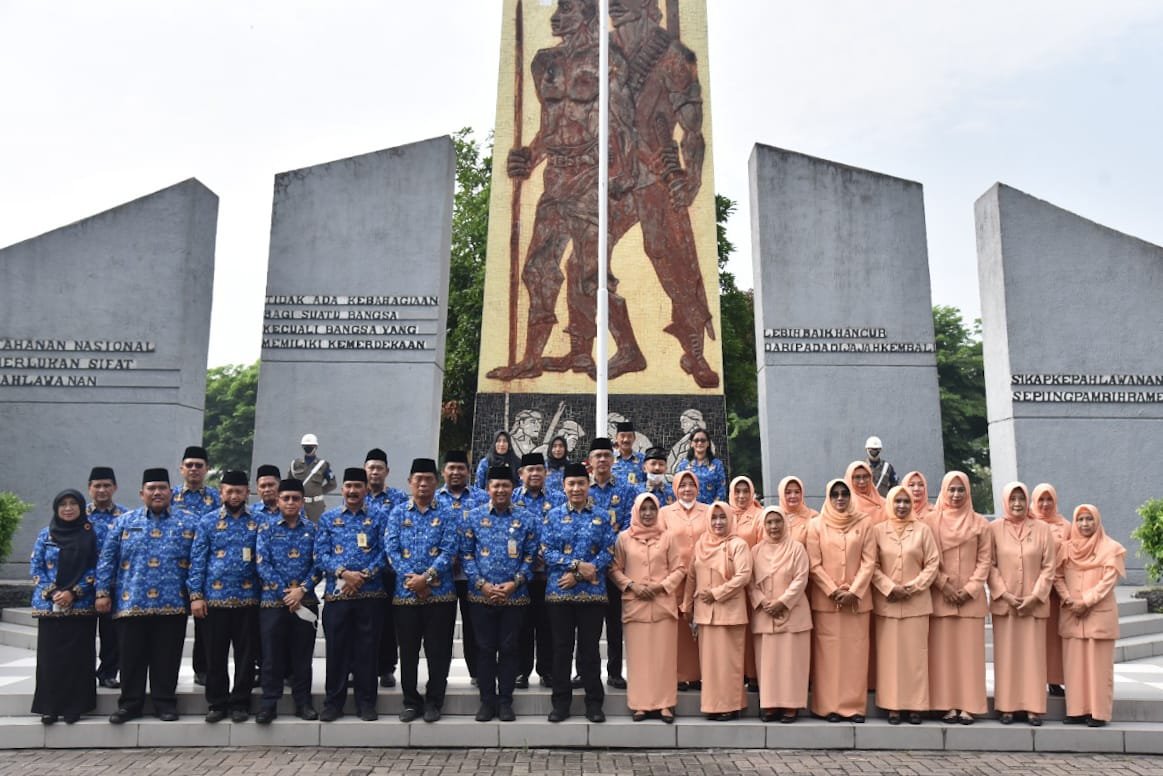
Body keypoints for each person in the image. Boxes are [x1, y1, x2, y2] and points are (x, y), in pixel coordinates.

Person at [486, 0, 640, 381]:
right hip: (555, 176)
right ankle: (531, 359)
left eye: (567, 7)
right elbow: (548, 126)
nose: (557, 15)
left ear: (588, 12)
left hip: (592, 176)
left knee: (591, 275)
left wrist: (623, 173)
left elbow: (623, 122)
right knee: (538, 268)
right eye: (557, 7)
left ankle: (630, 350)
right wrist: (527, 158)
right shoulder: (544, 62)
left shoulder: (610, 57)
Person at [607, 0, 720, 389]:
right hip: (616, 177)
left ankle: (695, 354)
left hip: (656, 175)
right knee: (586, 266)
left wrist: (693, 179)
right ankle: (627, 349)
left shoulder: (672, 56)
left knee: (673, 263)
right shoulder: (601, 53)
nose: (616, 6)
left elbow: (692, 129)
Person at [95, 468, 198, 724]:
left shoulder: (188, 522)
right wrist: (102, 592)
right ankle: (130, 704)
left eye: (162, 488)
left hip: (172, 603)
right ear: (142, 494)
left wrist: (195, 595)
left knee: (167, 657)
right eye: (151, 488)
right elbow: (107, 559)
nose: (157, 493)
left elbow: (197, 563)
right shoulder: (124, 522)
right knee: (131, 659)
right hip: (131, 603)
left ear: (171, 492)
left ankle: (165, 703)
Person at [460, 465, 540, 722]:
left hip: (514, 596)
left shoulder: (526, 518)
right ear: (488, 489)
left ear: (513, 488)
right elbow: (466, 555)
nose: (501, 490)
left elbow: (530, 556)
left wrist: (515, 583)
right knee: (484, 648)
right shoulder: (473, 517)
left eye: (505, 485)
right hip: (480, 595)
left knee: (509, 648)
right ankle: (486, 702)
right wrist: (482, 584)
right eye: (495, 485)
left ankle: (505, 701)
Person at [386, 458, 459, 723]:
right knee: (408, 651)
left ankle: (434, 701)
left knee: (438, 651)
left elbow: (450, 550)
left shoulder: (448, 513)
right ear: (410, 482)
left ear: (436, 482)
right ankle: (410, 701)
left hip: (441, 595)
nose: (424, 483)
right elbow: (391, 550)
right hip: (406, 596)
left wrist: (426, 579)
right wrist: (413, 582)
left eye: (429, 479)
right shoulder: (397, 513)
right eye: (418, 479)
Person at [543, 462, 616, 723]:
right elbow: (547, 551)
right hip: (559, 594)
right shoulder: (551, 516)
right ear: (563, 487)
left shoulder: (602, 516)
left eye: (581, 483)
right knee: (561, 649)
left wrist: (583, 573)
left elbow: (609, 551)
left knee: (590, 650)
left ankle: (594, 703)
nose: (576, 488)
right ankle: (560, 704)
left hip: (592, 594)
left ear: (589, 485)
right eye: (571, 483)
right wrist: (575, 566)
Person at [314, 467, 387, 722]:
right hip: (337, 596)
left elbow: (385, 553)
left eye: (358, 486)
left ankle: (366, 703)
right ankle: (333, 703)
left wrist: (363, 576)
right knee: (337, 651)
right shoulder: (328, 518)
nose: (353, 491)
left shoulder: (379, 517)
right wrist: (345, 573)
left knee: (367, 651)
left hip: (370, 595)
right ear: (342, 489)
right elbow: (320, 554)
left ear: (366, 489)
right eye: (348, 486)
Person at [189, 470, 261, 723]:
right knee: (215, 656)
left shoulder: (259, 521)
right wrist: (196, 596)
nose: (234, 496)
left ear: (247, 493)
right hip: (214, 600)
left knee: (246, 656)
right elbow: (197, 561)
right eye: (229, 491)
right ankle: (217, 703)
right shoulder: (207, 522)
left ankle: (241, 702)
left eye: (239, 491)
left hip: (249, 599)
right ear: (220, 492)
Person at [806, 478, 876, 722]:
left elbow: (870, 561)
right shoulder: (815, 525)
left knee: (856, 654)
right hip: (828, 602)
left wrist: (854, 590)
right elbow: (813, 564)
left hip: (857, 601)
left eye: (844, 494)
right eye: (834, 494)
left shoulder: (864, 522)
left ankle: (855, 707)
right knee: (829, 656)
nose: (839, 498)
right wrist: (833, 590)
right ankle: (829, 707)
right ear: (828, 496)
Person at [924, 471, 991, 724]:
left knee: (970, 656)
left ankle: (969, 706)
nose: (955, 494)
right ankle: (946, 705)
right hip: (942, 597)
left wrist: (971, 589)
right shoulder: (931, 522)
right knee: (944, 655)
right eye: (951, 489)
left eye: (960, 489)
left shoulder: (980, 524)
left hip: (970, 600)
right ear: (943, 490)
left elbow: (985, 560)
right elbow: (928, 558)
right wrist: (944, 585)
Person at [30, 489, 103, 724]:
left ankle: (75, 706)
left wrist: (74, 592)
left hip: (80, 605)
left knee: (78, 658)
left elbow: (96, 567)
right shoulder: (46, 535)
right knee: (50, 659)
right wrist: (53, 592)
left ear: (82, 507)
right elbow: (36, 568)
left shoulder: (91, 534)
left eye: (73, 504)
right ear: (56, 508)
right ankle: (49, 707)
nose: (68, 508)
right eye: (63, 504)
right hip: (50, 606)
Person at [610, 492, 684, 723]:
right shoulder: (624, 538)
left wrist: (662, 587)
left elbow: (680, 568)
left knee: (663, 657)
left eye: (652, 509)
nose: (648, 513)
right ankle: (640, 704)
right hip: (636, 604)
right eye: (644, 509)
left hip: (663, 604)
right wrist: (632, 586)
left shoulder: (668, 537)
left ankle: (665, 705)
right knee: (639, 659)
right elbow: (614, 569)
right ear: (636, 511)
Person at [988, 482, 1057, 726]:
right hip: (1005, 605)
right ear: (1006, 501)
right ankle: (1006, 706)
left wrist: (1035, 596)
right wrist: (1004, 594)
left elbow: (1050, 566)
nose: (1017, 503)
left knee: (1032, 656)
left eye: (1021, 498)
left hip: (1033, 605)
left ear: (1027, 501)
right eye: (1013, 499)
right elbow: (990, 564)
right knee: (1007, 656)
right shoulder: (994, 528)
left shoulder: (1041, 529)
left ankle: (1034, 707)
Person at [870, 486, 940, 725]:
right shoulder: (878, 531)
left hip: (916, 603)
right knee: (890, 657)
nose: (901, 506)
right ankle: (893, 706)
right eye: (897, 501)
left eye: (906, 501)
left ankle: (915, 706)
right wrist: (889, 587)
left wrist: (913, 587)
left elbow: (932, 563)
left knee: (914, 657)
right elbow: (873, 565)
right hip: (888, 603)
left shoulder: (923, 531)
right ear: (889, 503)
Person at [254, 478, 320, 723]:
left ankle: (303, 703)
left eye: (295, 498)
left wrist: (301, 590)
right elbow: (262, 564)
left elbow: (318, 564)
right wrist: (285, 592)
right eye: (286, 498)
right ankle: (269, 704)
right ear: (278, 500)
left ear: (302, 501)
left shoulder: (313, 529)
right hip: (274, 602)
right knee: (271, 657)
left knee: (302, 657)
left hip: (305, 602)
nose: (290, 502)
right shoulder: (266, 529)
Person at [1055, 504, 1126, 727]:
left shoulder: (1111, 548)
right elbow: (1056, 577)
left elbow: (1108, 581)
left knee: (1099, 667)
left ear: (1097, 521)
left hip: (1097, 614)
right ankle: (1076, 711)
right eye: (1080, 520)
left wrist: (1085, 602)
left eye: (1089, 519)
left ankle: (1098, 713)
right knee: (1075, 666)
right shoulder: (1066, 549)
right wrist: (1068, 599)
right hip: (1072, 613)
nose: (1085, 524)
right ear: (1074, 523)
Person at [682, 501, 752, 720]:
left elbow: (744, 575)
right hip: (705, 613)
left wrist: (717, 593)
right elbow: (692, 576)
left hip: (729, 612)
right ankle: (713, 706)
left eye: (723, 517)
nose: (718, 522)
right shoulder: (702, 543)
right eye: (714, 518)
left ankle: (731, 706)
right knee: (711, 666)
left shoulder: (738, 544)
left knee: (729, 664)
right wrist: (687, 605)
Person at [584, 437, 638, 689]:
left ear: (613, 459)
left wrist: (608, 536)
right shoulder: (583, 489)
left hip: (616, 566)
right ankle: (582, 670)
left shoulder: (626, 490)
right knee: (585, 624)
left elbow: (629, 525)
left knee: (615, 622)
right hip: (589, 568)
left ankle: (615, 671)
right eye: (598, 456)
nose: (603, 460)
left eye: (607, 455)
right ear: (590, 461)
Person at [749, 506, 811, 723]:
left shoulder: (797, 549)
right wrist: (763, 602)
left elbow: (801, 578)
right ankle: (770, 705)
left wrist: (783, 602)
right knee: (769, 664)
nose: (774, 527)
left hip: (793, 615)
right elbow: (750, 582)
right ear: (763, 525)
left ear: (785, 523)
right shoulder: (755, 551)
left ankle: (791, 706)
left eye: (778, 522)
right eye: (769, 522)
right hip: (765, 615)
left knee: (791, 663)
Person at [436, 450, 488, 688]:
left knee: (475, 625)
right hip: (441, 576)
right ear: (443, 471)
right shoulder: (434, 499)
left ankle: (478, 672)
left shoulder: (481, 498)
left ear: (469, 472)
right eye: (451, 468)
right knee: (442, 628)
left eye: (461, 468)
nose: (456, 472)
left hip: (473, 575)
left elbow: (488, 534)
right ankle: (440, 675)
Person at [513, 452, 564, 689]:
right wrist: (528, 556)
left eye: (539, 469)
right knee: (522, 625)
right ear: (521, 474)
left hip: (550, 575)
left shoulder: (557, 498)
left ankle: (547, 670)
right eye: (529, 470)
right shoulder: (510, 498)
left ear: (546, 473)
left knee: (548, 625)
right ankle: (521, 671)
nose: (534, 474)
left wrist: (545, 552)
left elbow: (563, 530)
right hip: (520, 576)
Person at [172, 444, 220, 686]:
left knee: (205, 621)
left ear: (207, 469)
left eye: (198, 466)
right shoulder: (168, 497)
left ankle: (202, 668)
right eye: (189, 465)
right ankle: (167, 670)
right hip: (173, 571)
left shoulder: (217, 499)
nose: (193, 469)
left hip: (207, 570)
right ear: (181, 469)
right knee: (173, 624)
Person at [659, 469, 710, 690]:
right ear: (675, 488)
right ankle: (680, 674)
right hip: (677, 577)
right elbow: (661, 544)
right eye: (682, 485)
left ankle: (701, 673)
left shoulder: (708, 511)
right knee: (680, 625)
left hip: (705, 575)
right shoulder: (665, 513)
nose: (687, 489)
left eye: (691, 485)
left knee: (703, 624)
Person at [364, 448, 407, 689]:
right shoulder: (358, 495)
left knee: (389, 623)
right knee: (364, 622)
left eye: (379, 468)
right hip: (362, 575)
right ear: (365, 470)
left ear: (387, 471)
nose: (375, 472)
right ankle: (358, 667)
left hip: (389, 572)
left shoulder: (399, 499)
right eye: (371, 467)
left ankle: (386, 668)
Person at [86, 466, 126, 690]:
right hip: (82, 586)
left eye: (106, 486)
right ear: (90, 489)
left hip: (114, 585)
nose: (102, 490)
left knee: (112, 634)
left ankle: (108, 672)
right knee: (83, 633)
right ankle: (82, 672)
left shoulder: (126, 517)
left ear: (115, 488)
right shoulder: (78, 515)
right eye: (97, 486)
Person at [1031, 482, 1072, 697]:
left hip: (1056, 592)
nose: (1045, 504)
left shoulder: (1065, 526)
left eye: (1049, 500)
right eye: (1041, 500)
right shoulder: (1027, 522)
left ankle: (1054, 680)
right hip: (1032, 591)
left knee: (1054, 639)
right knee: (1034, 638)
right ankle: (1034, 679)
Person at [729, 475, 764, 691]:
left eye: (745, 491)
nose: (741, 496)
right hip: (730, 582)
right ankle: (738, 671)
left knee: (753, 629)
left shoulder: (759, 515)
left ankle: (753, 673)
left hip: (754, 579)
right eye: (737, 491)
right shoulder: (724, 513)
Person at [290, 433, 336, 522]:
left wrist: (318, 492)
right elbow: (289, 485)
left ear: (316, 447)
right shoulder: (295, 464)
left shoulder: (323, 465)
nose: (308, 448)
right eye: (305, 446)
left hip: (316, 506)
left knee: (317, 529)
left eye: (310, 446)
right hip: (298, 504)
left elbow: (332, 484)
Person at [674, 428, 726, 504]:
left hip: (710, 510)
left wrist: (714, 508)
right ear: (691, 443)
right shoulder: (683, 466)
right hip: (689, 509)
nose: (699, 443)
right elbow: (677, 488)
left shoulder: (717, 464)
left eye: (703, 440)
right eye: (696, 440)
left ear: (708, 443)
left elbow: (721, 489)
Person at [777, 476, 816, 546]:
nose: (793, 496)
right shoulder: (775, 517)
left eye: (797, 492)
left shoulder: (813, 516)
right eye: (788, 492)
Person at [612, 421, 646, 485]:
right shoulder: (609, 459)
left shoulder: (643, 459)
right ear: (616, 437)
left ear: (634, 438)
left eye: (629, 436)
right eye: (622, 436)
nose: (626, 440)